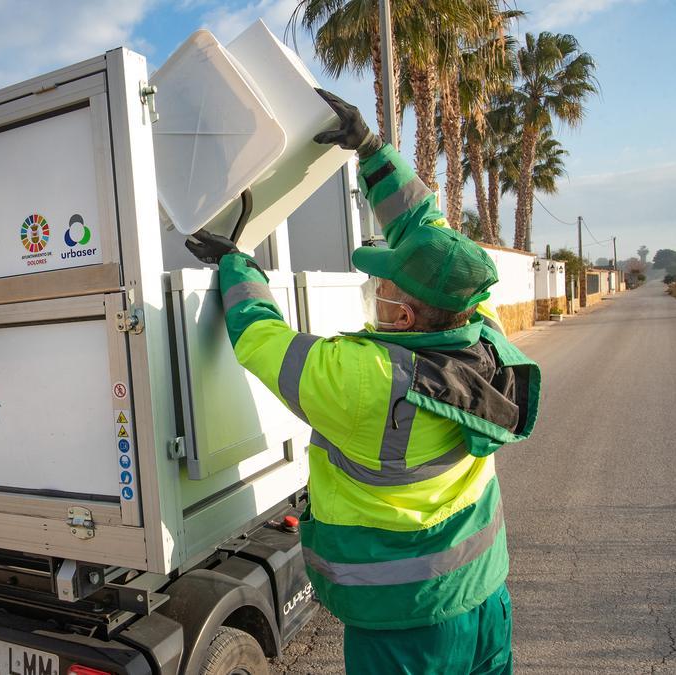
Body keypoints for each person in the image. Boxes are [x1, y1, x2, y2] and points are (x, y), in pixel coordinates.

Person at [185, 89, 540, 674]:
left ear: (401, 316)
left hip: (405, 625)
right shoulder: (484, 335)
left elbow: (261, 340)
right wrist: (371, 150)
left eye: (384, 287)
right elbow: (430, 232)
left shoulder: (367, 381)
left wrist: (236, 266)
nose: (376, 291)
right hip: (483, 598)